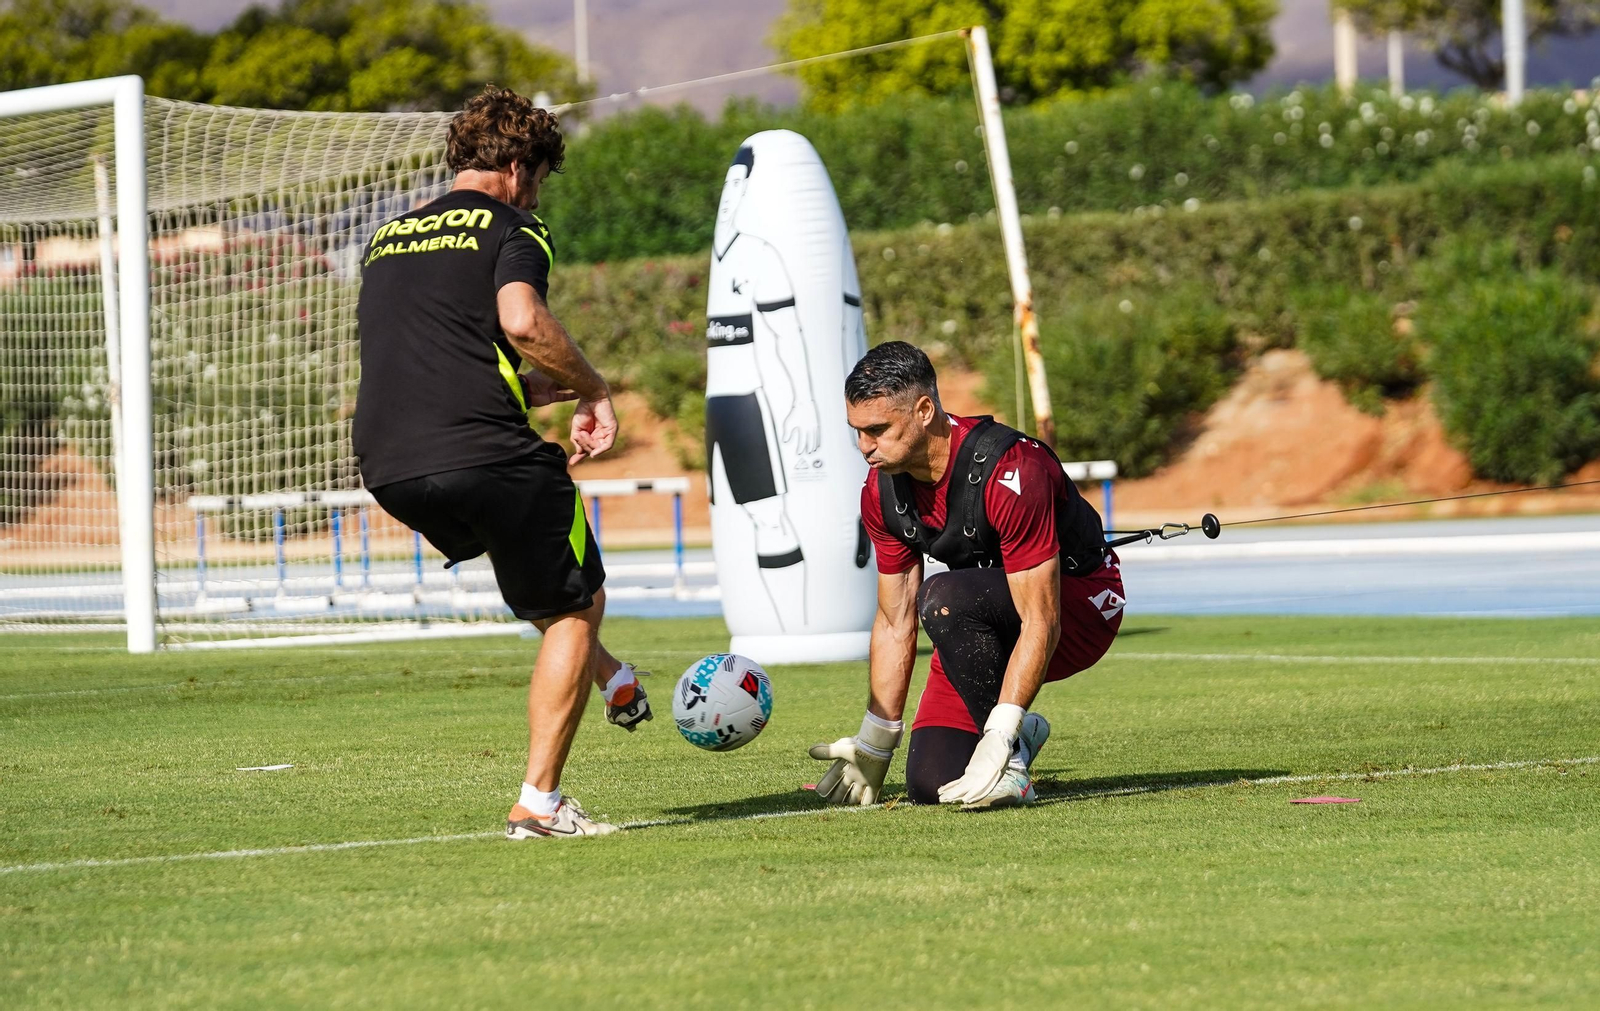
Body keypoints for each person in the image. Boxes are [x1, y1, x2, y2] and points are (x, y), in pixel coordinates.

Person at [353, 86, 649, 840]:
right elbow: (521, 320)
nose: (538, 191)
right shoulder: (515, 224)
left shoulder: (387, 238)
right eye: (540, 177)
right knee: (578, 600)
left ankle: (613, 678)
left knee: (549, 594)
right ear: (518, 166)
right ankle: (540, 806)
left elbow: (436, 352)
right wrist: (593, 387)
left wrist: (534, 387)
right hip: (480, 450)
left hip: (389, 464)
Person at [809, 341, 1127, 809]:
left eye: (878, 429)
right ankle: (1020, 729)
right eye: (856, 431)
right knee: (930, 785)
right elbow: (895, 619)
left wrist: (1002, 738)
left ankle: (1012, 755)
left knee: (944, 597)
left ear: (923, 410)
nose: (864, 447)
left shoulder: (1013, 470)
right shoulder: (879, 493)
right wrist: (876, 740)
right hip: (979, 615)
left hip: (1077, 609)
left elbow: (1041, 619)